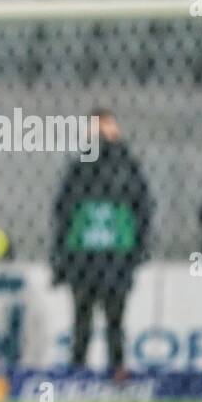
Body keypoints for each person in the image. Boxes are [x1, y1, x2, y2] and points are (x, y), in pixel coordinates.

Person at [50, 108, 152, 378]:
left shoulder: (126, 165)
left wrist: (138, 248)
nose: (100, 133)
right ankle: (78, 371)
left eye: (104, 126)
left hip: (115, 256)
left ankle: (116, 370)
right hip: (84, 256)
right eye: (96, 127)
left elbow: (143, 207)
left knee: (114, 319)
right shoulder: (80, 166)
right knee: (82, 319)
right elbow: (62, 212)